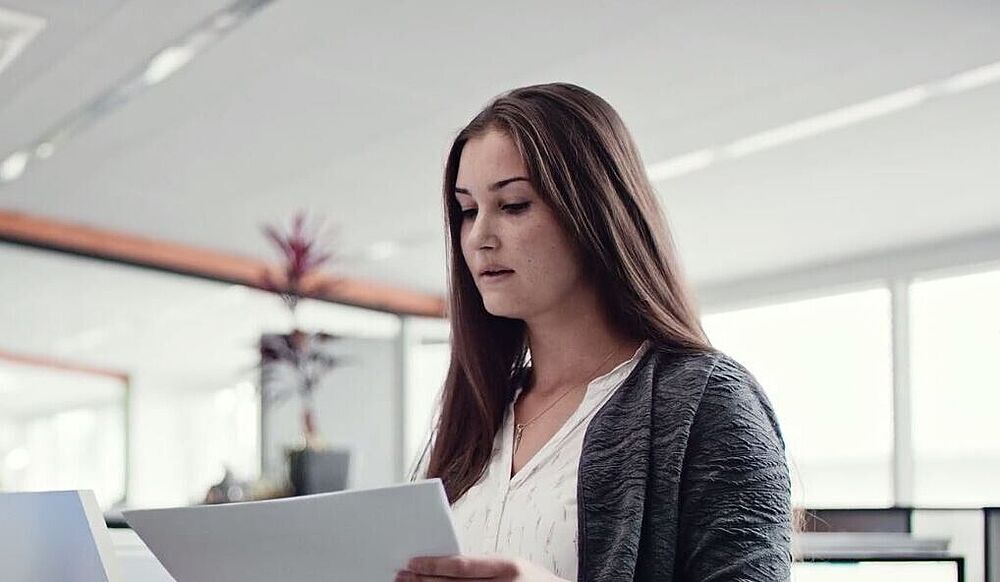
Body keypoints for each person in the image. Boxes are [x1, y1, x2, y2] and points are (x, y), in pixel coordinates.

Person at [399, 83, 791, 582]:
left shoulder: (708, 401)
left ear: (595, 212)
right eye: (468, 210)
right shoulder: (480, 409)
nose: (479, 237)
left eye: (514, 205)